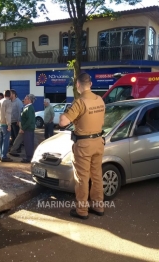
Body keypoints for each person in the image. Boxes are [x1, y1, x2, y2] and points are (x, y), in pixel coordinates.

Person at [59, 72, 105, 220]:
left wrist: (64, 114)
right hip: (98, 142)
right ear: (90, 84)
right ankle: (98, 206)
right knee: (97, 176)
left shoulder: (79, 102)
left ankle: (82, 210)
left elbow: (63, 122)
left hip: (84, 145)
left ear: (78, 85)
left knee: (82, 178)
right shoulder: (100, 100)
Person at [0, 90, 13, 162]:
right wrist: (9, 125)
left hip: (0, 123)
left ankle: (0, 155)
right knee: (6, 140)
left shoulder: (0, 101)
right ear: (10, 95)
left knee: (1, 140)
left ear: (4, 94)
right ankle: (4, 156)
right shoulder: (8, 102)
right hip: (5, 124)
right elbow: (8, 114)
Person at [20, 94, 36, 163]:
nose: (24, 100)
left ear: (29, 100)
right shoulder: (27, 107)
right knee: (27, 143)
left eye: (25, 99)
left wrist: (23, 128)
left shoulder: (29, 108)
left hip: (28, 129)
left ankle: (29, 157)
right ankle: (28, 156)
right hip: (27, 128)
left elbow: (29, 120)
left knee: (28, 143)